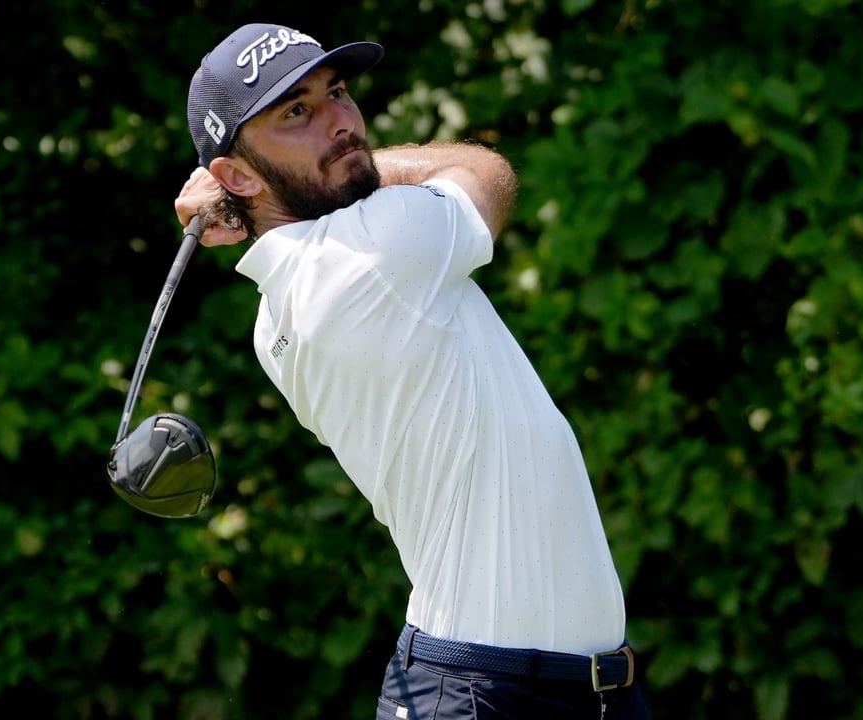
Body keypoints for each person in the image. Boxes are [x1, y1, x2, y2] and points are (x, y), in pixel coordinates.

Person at [173, 23, 651, 720]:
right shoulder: (379, 247)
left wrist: (252, 202)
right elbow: (488, 173)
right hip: (487, 693)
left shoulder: (274, 316)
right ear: (236, 174)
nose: (340, 121)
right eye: (296, 113)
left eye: (336, 93)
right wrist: (357, 166)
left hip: (555, 688)